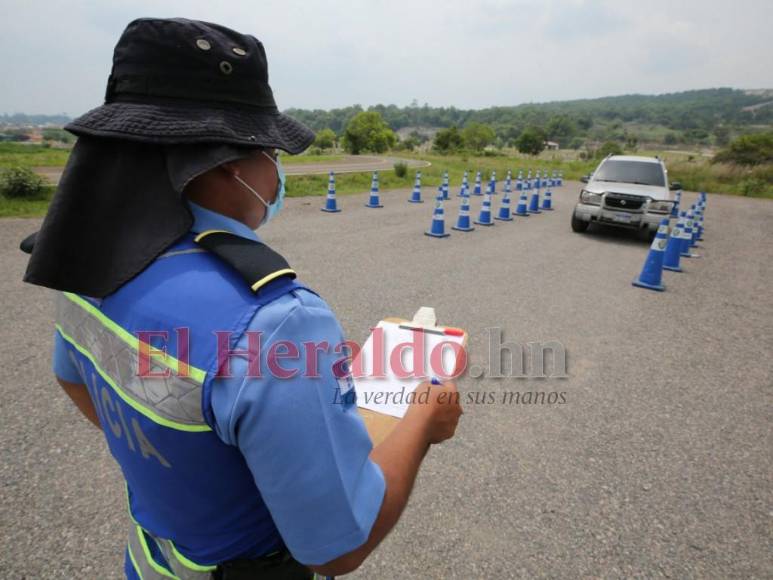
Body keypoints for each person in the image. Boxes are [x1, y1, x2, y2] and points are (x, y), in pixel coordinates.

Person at [21, 17, 462, 579]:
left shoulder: (87, 263)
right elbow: (337, 550)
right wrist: (423, 420)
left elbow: (74, 378)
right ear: (231, 162)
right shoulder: (275, 321)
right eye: (272, 153)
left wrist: (175, 470)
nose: (277, 172)